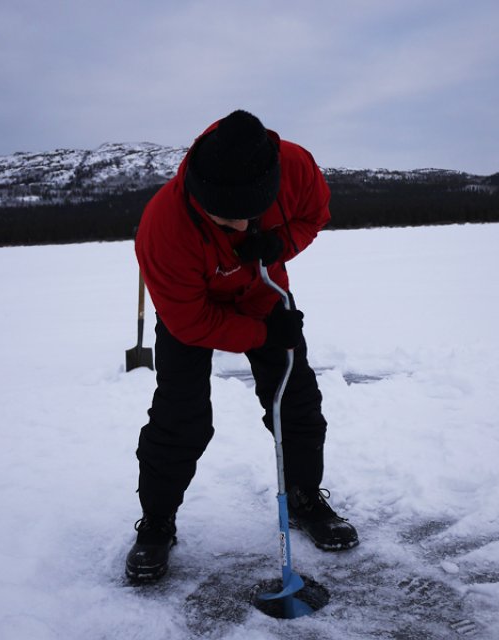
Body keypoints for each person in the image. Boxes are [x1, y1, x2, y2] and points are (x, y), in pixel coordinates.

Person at [126, 109, 358, 583]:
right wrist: (263, 336)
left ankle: (303, 495)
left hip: (264, 292)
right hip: (190, 312)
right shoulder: (163, 227)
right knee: (180, 417)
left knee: (297, 402)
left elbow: (316, 213)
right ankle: (156, 523)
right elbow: (192, 322)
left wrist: (279, 242)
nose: (236, 227)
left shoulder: (293, 166)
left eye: (246, 215)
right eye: (223, 217)